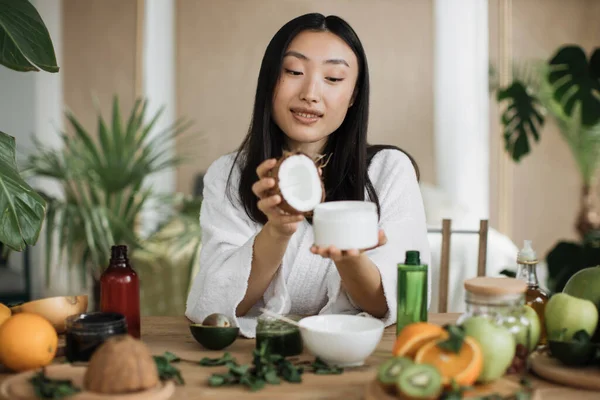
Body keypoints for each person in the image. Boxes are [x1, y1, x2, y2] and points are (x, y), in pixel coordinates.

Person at [185, 13, 430, 338]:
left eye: (333, 78)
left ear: (354, 95)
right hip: (256, 357)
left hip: (356, 355)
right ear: (269, 80)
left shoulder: (389, 169)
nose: (310, 93)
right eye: (294, 72)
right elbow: (219, 305)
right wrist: (278, 231)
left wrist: (349, 258)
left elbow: (389, 304)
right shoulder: (228, 175)